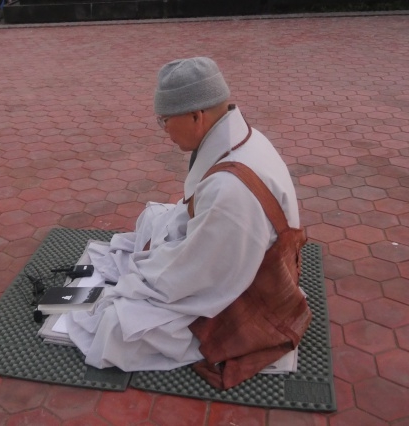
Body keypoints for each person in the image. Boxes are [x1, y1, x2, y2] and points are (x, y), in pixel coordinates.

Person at [65, 57, 309, 386]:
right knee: (153, 217)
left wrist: (137, 278)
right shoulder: (240, 138)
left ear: (197, 116)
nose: (163, 130)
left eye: (164, 120)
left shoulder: (230, 190)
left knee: (116, 327)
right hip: (235, 255)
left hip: (249, 292)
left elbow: (196, 277)